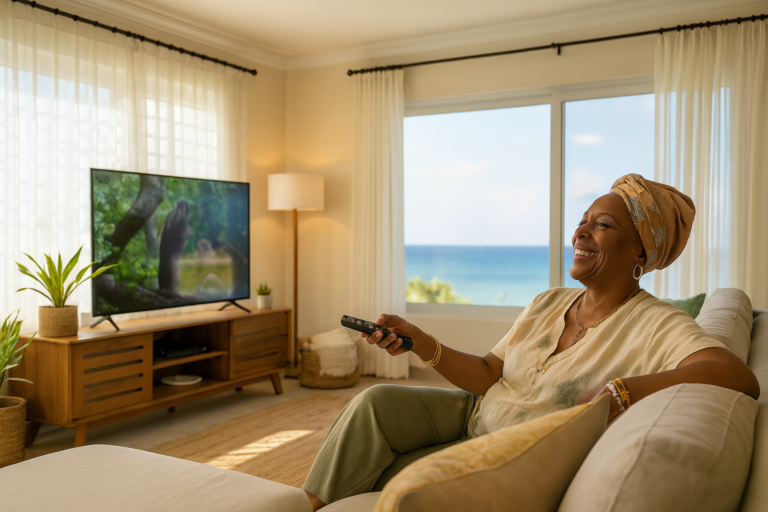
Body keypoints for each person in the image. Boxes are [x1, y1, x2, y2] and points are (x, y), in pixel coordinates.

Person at [303, 174, 760, 510]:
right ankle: (308, 505)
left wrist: (625, 391)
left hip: (513, 446)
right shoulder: (549, 300)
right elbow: (487, 373)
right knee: (375, 402)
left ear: (641, 251)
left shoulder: (657, 322)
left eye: (602, 225)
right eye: (582, 221)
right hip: (474, 413)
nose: (580, 232)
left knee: (397, 478)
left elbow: (736, 376)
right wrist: (420, 342)